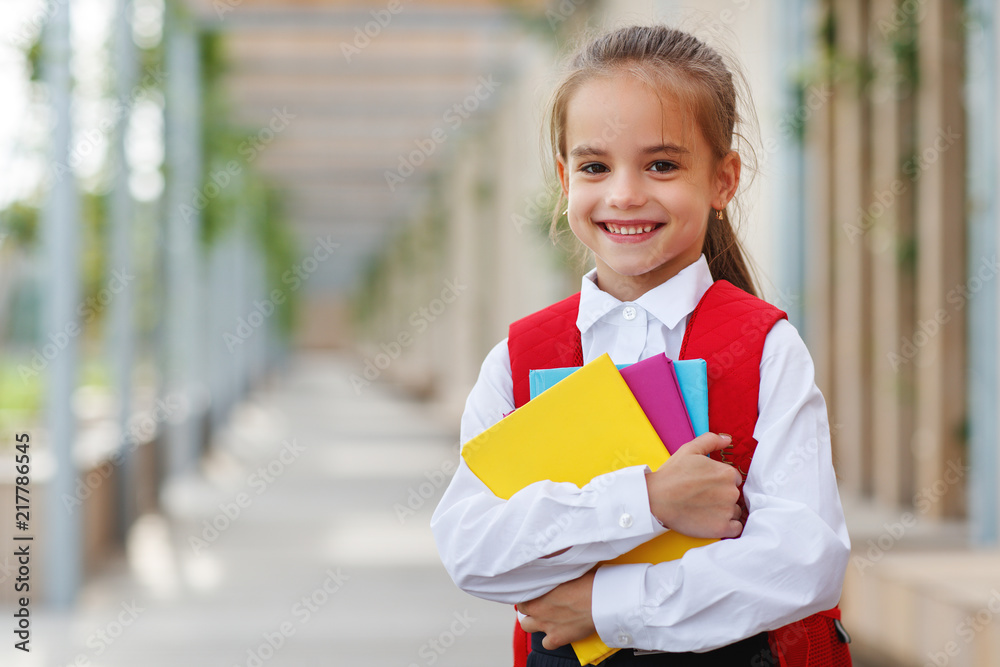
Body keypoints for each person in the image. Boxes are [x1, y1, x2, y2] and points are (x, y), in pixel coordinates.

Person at [430, 24, 851, 667]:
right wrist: (647, 501)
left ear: (723, 180)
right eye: (596, 166)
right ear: (564, 178)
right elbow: (473, 550)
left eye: (662, 164)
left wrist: (605, 607)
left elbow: (803, 560)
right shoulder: (518, 359)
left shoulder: (765, 347)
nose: (625, 193)